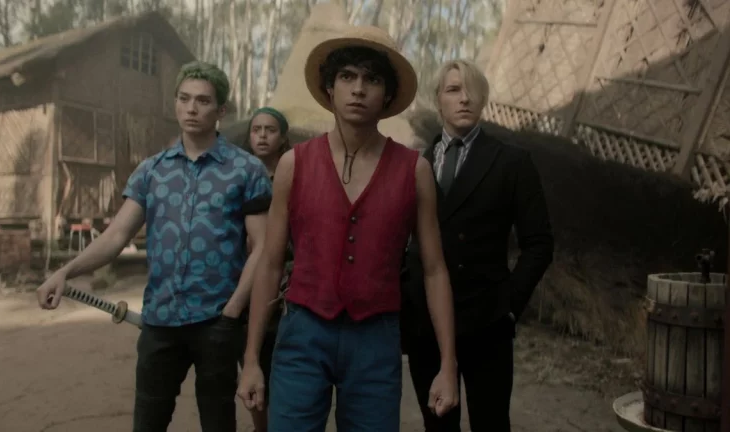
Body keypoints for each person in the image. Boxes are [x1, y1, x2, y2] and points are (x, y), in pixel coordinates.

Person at [237, 25, 459, 432]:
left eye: (372, 79)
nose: (358, 89)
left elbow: (434, 269)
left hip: (376, 338)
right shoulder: (294, 164)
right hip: (303, 333)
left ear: (387, 94)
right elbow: (270, 262)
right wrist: (252, 359)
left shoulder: (415, 171)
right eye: (347, 76)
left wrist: (448, 364)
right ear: (330, 88)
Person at [35, 61, 272, 432]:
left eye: (203, 101)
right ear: (174, 103)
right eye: (184, 99)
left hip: (217, 321)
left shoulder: (246, 170)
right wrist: (65, 271)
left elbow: (263, 247)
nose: (192, 108)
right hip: (159, 322)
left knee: (218, 422)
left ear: (221, 110)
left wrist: (232, 311)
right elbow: (116, 236)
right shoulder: (151, 171)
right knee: (148, 422)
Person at [401, 58, 554, 432]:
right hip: (427, 324)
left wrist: (509, 307)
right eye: (453, 90)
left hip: (487, 322)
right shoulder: (415, 165)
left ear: (484, 99)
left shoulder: (512, 162)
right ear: (438, 100)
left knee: (491, 424)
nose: (465, 98)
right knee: (437, 425)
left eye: (473, 90)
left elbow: (539, 243)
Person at [239, 106, 294, 432]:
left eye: (270, 130)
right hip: (245, 283)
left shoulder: (294, 175)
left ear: (283, 137)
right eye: (256, 129)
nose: (262, 136)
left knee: (283, 373)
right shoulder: (239, 175)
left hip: (285, 283)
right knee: (251, 367)